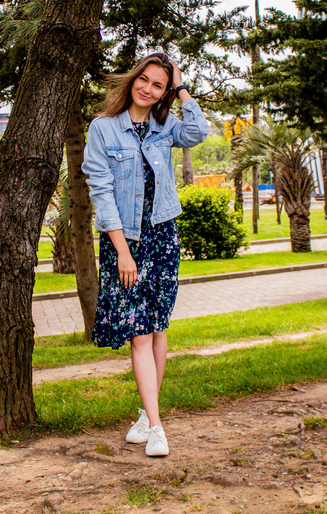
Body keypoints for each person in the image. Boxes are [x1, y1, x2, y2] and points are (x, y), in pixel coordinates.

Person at [82, 51, 208, 457]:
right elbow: (101, 192)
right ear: (133, 79)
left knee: (157, 327)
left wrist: (182, 87)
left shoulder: (165, 125)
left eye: (159, 85)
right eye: (144, 80)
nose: (148, 89)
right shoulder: (103, 128)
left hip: (163, 236)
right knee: (139, 332)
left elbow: (199, 131)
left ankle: (145, 415)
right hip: (126, 242)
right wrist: (123, 252)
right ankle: (156, 427)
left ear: (164, 92)